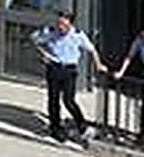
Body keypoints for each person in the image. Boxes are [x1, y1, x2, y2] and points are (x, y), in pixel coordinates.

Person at [33, 10, 107, 142]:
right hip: (54, 68)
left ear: (70, 24)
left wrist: (99, 65)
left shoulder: (78, 34)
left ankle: (82, 126)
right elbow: (34, 39)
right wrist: (43, 54)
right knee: (53, 99)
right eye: (59, 23)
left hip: (69, 70)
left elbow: (92, 50)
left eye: (63, 25)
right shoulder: (50, 32)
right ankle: (55, 128)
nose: (60, 27)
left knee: (69, 100)